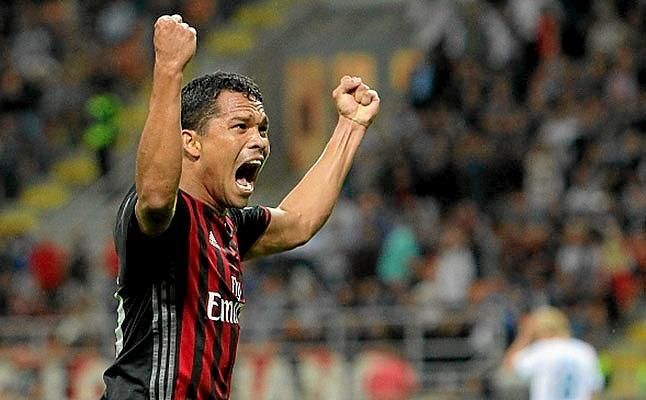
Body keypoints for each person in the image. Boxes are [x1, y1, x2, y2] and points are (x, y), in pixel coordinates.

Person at [101, 14, 380, 400]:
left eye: (262, 129)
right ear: (191, 143)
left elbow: (298, 222)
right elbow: (156, 196)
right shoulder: (165, 219)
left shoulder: (228, 226)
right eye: (241, 126)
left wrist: (350, 126)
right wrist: (168, 69)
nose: (259, 141)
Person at [501, 306, 605, 400]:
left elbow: (509, 366)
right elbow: (595, 389)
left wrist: (525, 335)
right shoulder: (585, 350)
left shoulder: (542, 349)